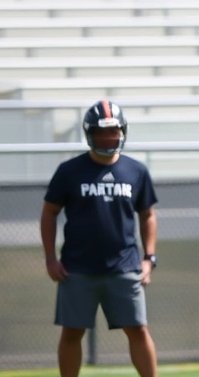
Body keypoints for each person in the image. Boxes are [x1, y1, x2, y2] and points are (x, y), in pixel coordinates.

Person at [41, 100, 159, 377]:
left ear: (122, 132)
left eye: (113, 131)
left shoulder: (137, 171)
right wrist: (49, 258)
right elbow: (49, 213)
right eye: (101, 132)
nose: (108, 137)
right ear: (89, 134)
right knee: (72, 332)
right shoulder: (69, 171)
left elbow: (148, 216)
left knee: (138, 329)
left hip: (125, 267)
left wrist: (149, 258)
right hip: (77, 268)